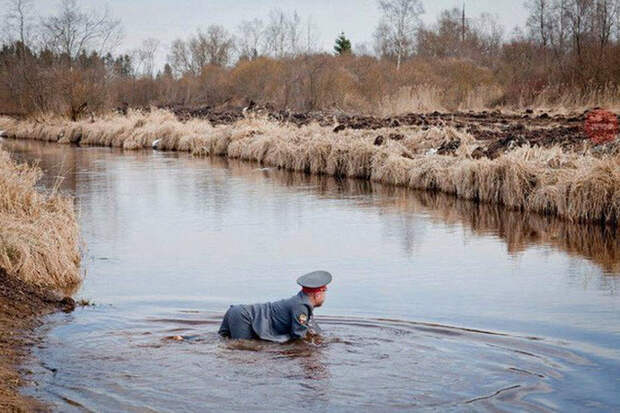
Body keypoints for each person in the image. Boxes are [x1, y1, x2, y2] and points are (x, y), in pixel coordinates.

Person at [218, 270, 332, 343]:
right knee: (240, 351)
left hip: (236, 312)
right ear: (317, 294)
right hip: (243, 317)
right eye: (324, 293)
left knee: (223, 343)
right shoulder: (301, 306)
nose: (324, 297)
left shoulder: (298, 301)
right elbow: (298, 337)